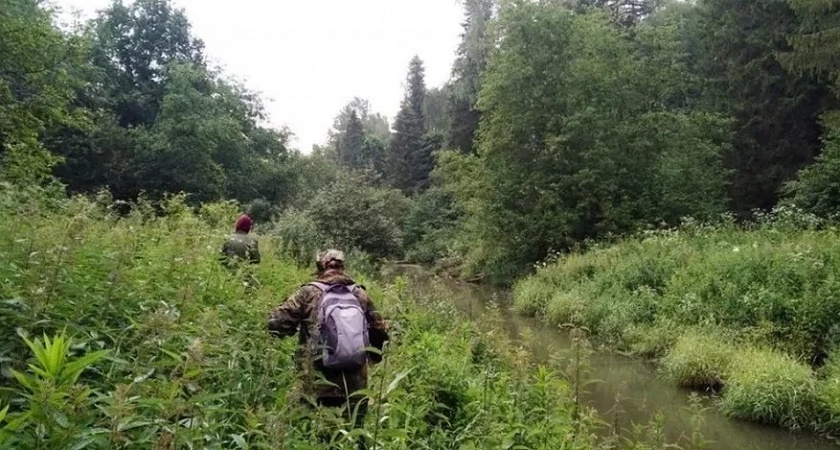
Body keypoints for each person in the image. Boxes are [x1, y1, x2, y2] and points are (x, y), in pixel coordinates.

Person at [267, 250, 388, 448]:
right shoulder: (360, 294)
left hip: (316, 382)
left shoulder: (308, 293)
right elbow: (380, 330)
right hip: (355, 385)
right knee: (353, 435)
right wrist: (372, 359)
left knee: (309, 436)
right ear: (343, 267)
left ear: (320, 267)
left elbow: (276, 323)